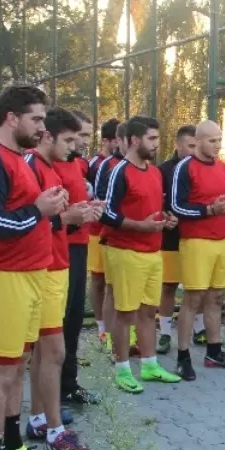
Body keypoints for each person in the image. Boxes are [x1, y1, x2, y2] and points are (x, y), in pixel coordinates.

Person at [0, 85, 70, 450]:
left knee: (17, 366)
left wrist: (48, 207)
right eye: (37, 119)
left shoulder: (18, 159)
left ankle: (14, 448)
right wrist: (38, 211)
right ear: (12, 118)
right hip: (5, 277)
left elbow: (24, 213)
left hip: (31, 275)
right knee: (0, 371)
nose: (42, 128)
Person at [24, 108, 101, 450]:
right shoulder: (30, 166)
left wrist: (74, 216)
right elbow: (21, 221)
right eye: (69, 140)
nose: (75, 146)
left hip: (55, 264)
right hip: (39, 269)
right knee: (47, 351)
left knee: (46, 350)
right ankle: (54, 431)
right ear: (47, 136)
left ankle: (39, 419)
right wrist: (66, 219)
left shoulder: (51, 167)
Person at [101, 116, 183, 392]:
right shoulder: (119, 171)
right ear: (134, 140)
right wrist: (140, 226)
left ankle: (150, 365)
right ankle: (122, 369)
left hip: (152, 252)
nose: (156, 144)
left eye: (157, 139)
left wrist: (165, 220)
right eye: (151, 139)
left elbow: (152, 208)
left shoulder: (155, 171)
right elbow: (107, 213)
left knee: (149, 312)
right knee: (125, 314)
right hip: (125, 252)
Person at [170, 120, 225, 380]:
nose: (217, 145)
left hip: (221, 240)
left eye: (219, 140)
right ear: (199, 140)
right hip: (195, 242)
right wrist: (209, 210)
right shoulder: (185, 167)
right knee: (193, 300)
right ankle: (182, 357)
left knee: (216, 298)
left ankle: (214, 352)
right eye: (212, 140)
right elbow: (177, 207)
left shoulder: (224, 168)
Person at [57, 109, 100, 407]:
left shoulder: (78, 165)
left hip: (79, 245)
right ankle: (55, 390)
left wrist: (89, 207)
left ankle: (69, 384)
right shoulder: (50, 163)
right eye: (77, 136)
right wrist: (74, 216)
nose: (82, 142)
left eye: (84, 136)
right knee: (57, 323)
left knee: (73, 320)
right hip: (60, 248)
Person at [158, 124, 198, 355]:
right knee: (169, 286)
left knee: (198, 287)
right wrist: (167, 216)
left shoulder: (202, 168)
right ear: (178, 145)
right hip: (171, 238)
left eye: (197, 145)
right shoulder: (163, 170)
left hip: (196, 237)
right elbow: (160, 202)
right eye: (190, 146)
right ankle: (164, 332)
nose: (194, 150)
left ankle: (199, 329)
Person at [86, 118, 120, 347]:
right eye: (117, 138)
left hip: (115, 233)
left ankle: (117, 328)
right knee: (98, 280)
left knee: (114, 283)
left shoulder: (124, 163)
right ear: (107, 140)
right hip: (97, 232)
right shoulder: (97, 164)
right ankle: (101, 328)